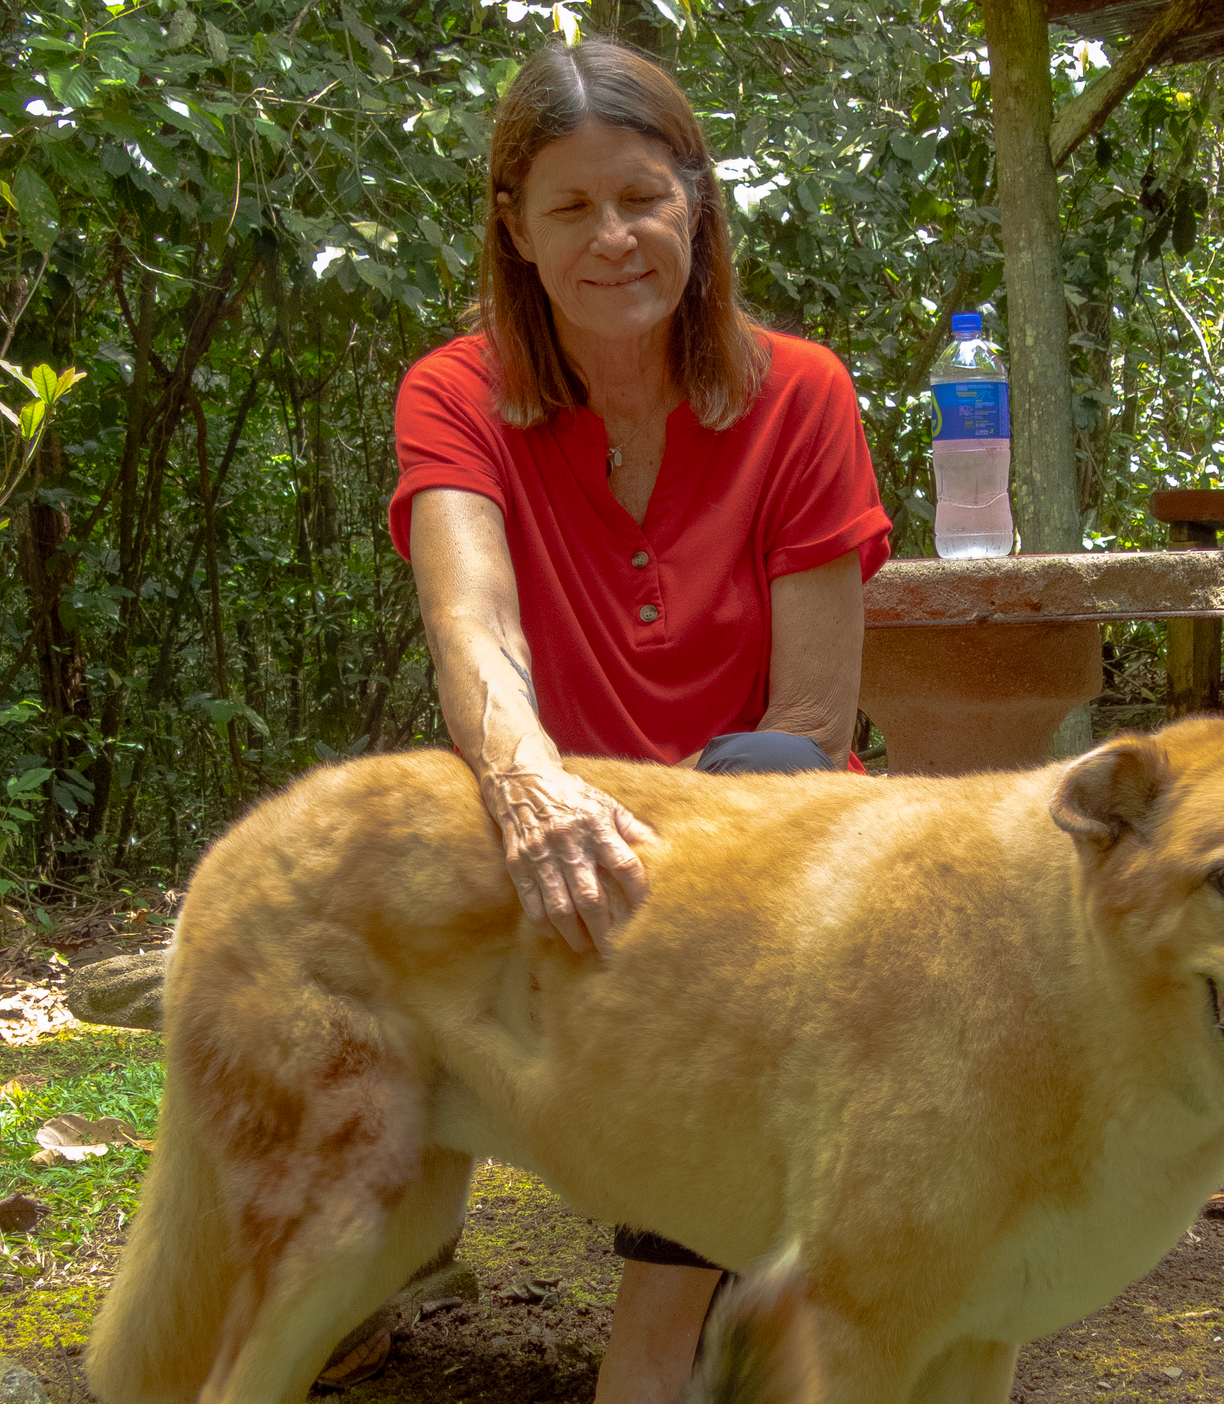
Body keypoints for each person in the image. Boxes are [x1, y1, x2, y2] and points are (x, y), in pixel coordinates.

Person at [391, 38, 891, 1404]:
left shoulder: (804, 391)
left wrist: (678, 853)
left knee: (774, 783)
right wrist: (532, 785)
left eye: (643, 198)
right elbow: (471, 624)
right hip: (555, 828)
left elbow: (813, 715)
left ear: (695, 203)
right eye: (572, 208)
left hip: (768, 840)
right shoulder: (454, 393)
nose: (614, 238)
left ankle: (657, 1335)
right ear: (517, 225)